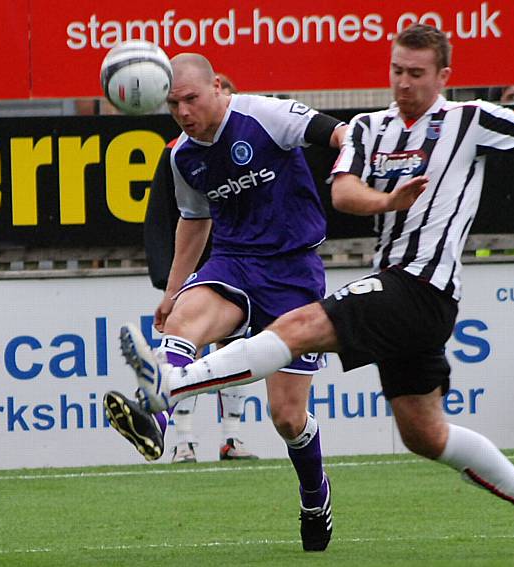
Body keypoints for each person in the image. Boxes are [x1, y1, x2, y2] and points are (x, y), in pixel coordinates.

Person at [119, 24, 514, 554]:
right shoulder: (372, 127)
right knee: (425, 434)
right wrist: (387, 201)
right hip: (382, 284)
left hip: (422, 285)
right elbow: (346, 192)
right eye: (397, 71)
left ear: (443, 76)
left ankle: (166, 390)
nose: (403, 83)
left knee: (298, 328)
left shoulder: (469, 119)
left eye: (416, 74)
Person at [104, 53, 346, 551]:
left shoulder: (265, 116)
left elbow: (337, 134)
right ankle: (158, 418)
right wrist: (171, 293)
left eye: (191, 99)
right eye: (173, 104)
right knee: (182, 326)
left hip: (294, 272)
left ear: (217, 87)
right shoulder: (181, 155)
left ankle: (313, 493)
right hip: (233, 264)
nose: (182, 111)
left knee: (288, 418)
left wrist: (354, 171)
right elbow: (193, 222)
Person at [143, 73, 258, 464]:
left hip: (239, 264)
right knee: (185, 349)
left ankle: (233, 438)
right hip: (200, 266)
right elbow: (166, 214)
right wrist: (169, 281)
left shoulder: (251, 145)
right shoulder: (178, 153)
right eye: (178, 103)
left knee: (234, 350)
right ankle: (183, 441)